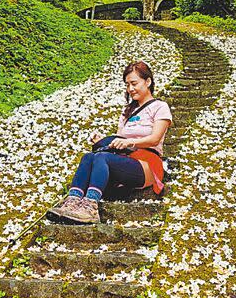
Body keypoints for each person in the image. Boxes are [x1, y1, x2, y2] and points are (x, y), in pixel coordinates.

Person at [50, 61, 172, 224]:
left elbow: (155, 138)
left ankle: (90, 207)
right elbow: (120, 140)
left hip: (147, 163)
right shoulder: (127, 112)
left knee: (102, 158)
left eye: (134, 83)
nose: (130, 89)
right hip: (126, 160)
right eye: (127, 85)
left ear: (148, 82)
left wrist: (130, 143)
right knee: (88, 157)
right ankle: (73, 202)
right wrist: (104, 141)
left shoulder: (160, 107)